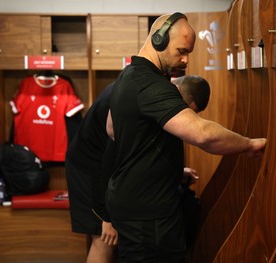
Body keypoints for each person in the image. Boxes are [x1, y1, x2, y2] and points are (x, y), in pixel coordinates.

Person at [106, 12, 266, 262]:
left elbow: (113, 129)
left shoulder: (128, 76)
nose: (185, 59)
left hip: (131, 204)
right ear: (158, 40)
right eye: (182, 51)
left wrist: (166, 170)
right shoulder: (152, 85)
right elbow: (203, 135)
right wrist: (248, 144)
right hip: (150, 215)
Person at [65, 74, 211, 263]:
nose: (182, 115)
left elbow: (138, 148)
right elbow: (113, 157)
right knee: (104, 239)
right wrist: (106, 218)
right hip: (90, 168)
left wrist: (176, 171)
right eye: (185, 109)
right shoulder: (140, 97)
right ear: (178, 93)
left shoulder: (155, 92)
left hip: (105, 165)